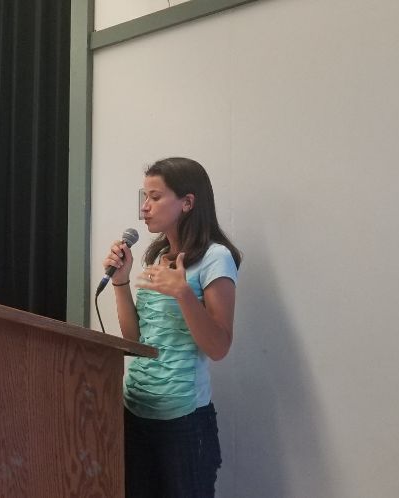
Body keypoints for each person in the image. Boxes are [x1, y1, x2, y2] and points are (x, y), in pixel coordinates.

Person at [103, 157, 242, 498]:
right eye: (144, 198)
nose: (145, 208)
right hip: (135, 407)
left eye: (155, 197)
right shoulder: (156, 256)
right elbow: (135, 340)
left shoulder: (215, 258)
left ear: (188, 202)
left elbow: (219, 346)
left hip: (182, 420)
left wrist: (183, 293)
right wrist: (120, 283)